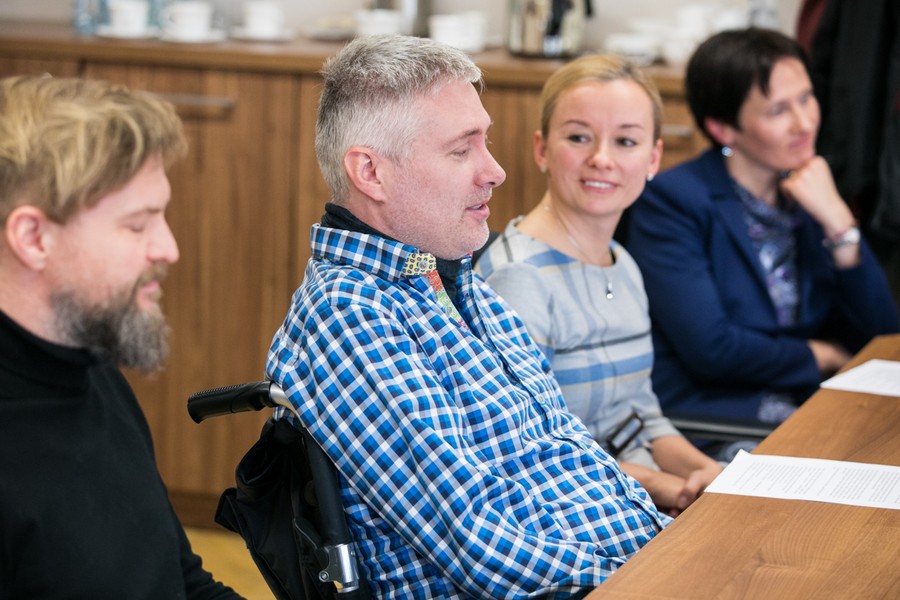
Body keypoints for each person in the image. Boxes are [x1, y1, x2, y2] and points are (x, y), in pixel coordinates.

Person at [265, 35, 670, 598]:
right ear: (371, 173)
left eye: (486, 142)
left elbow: (569, 453)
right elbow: (480, 543)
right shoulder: (349, 315)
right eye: (461, 151)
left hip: (638, 562)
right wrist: (661, 577)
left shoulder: (452, 278)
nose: (495, 171)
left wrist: (675, 546)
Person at [0, 75, 243, 598]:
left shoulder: (93, 372)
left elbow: (181, 582)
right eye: (137, 225)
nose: (169, 248)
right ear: (33, 237)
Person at [475, 54, 722, 515]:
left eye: (625, 141)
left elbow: (642, 417)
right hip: (577, 512)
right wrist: (668, 488)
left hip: (643, 495)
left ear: (653, 158)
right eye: (578, 137)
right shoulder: (520, 278)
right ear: (542, 149)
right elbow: (530, 450)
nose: (602, 159)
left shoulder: (623, 264)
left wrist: (714, 476)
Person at [626, 28, 900, 441]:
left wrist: (839, 224)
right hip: (720, 415)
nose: (804, 123)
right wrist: (820, 354)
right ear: (723, 128)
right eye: (777, 111)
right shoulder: (672, 201)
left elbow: (882, 335)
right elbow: (712, 349)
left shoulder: (810, 189)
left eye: (806, 98)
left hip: (808, 401)